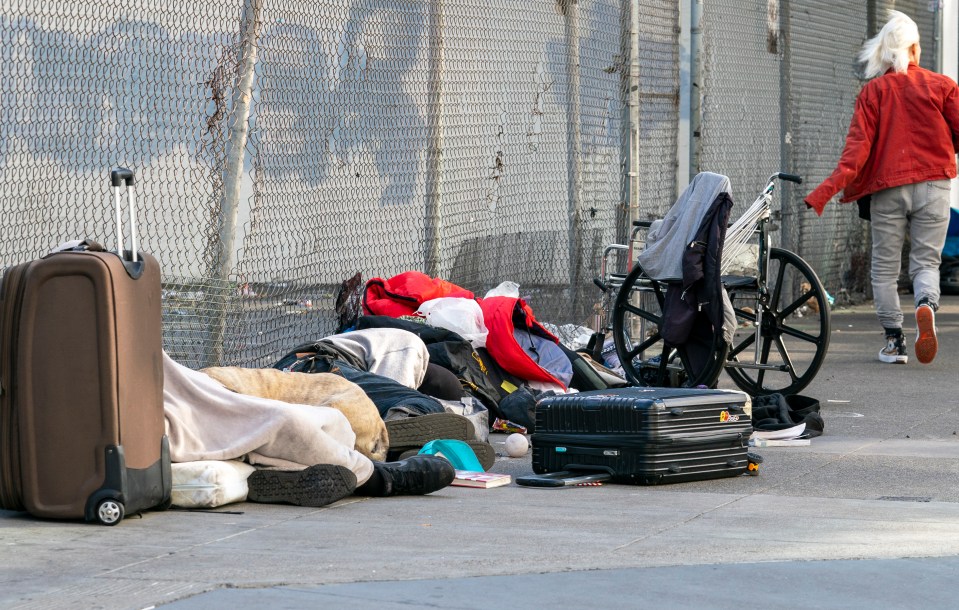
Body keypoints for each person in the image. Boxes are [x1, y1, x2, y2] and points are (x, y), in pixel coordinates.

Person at [804, 10, 959, 365]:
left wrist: (823, 193)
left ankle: (895, 341)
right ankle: (925, 304)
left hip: (889, 190)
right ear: (915, 49)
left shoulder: (873, 92)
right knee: (926, 262)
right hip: (935, 184)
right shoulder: (943, 86)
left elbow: (855, 155)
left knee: (885, 270)